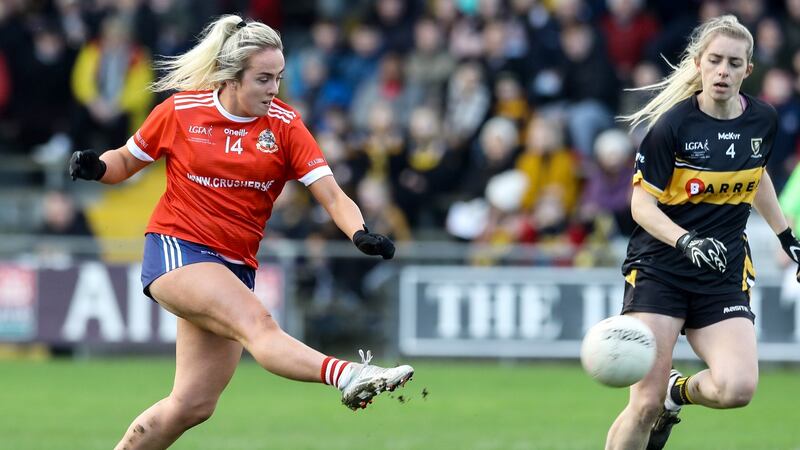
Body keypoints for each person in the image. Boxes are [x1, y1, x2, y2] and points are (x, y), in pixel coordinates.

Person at [68, 15, 413, 450]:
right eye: (264, 79)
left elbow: (332, 194)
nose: (274, 89)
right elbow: (125, 161)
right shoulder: (180, 111)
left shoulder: (286, 125)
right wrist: (98, 167)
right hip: (178, 250)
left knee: (192, 404)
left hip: (234, 266)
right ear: (232, 77)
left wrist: (359, 232)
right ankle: (349, 375)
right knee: (259, 325)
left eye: (279, 78)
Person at [608, 15, 800, 450]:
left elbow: (757, 177)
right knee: (643, 403)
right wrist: (685, 240)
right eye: (715, 60)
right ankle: (661, 396)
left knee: (737, 389)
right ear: (698, 63)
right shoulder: (672, 127)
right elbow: (641, 205)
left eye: (734, 63)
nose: (723, 71)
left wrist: (787, 236)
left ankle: (678, 393)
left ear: (748, 70)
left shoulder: (762, 120)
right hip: (661, 269)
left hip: (722, 272)